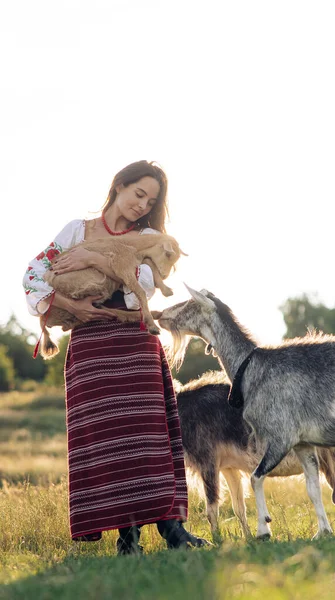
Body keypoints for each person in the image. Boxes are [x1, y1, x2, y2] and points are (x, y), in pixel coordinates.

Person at [23, 160, 208, 554]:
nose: (142, 205)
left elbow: (140, 287)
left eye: (151, 200)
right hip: (90, 347)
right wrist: (63, 302)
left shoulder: (152, 239)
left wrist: (93, 260)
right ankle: (128, 538)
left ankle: (172, 530)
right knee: (108, 442)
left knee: (149, 438)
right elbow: (35, 271)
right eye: (138, 193)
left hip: (134, 341)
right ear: (119, 186)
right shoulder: (76, 230)